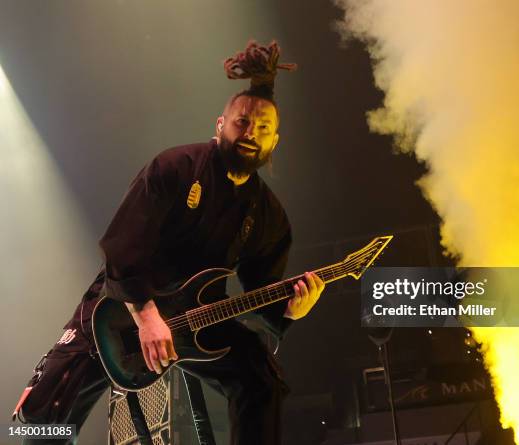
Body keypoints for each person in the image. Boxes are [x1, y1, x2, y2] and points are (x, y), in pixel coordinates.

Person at [17, 40, 324, 445]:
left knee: (260, 379)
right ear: (220, 125)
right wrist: (146, 317)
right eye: (241, 122)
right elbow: (123, 247)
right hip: (123, 309)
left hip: (195, 318)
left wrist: (292, 310)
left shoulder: (267, 214)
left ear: (274, 142)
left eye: (262, 129)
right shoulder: (175, 168)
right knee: (40, 423)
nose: (251, 133)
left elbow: (261, 288)